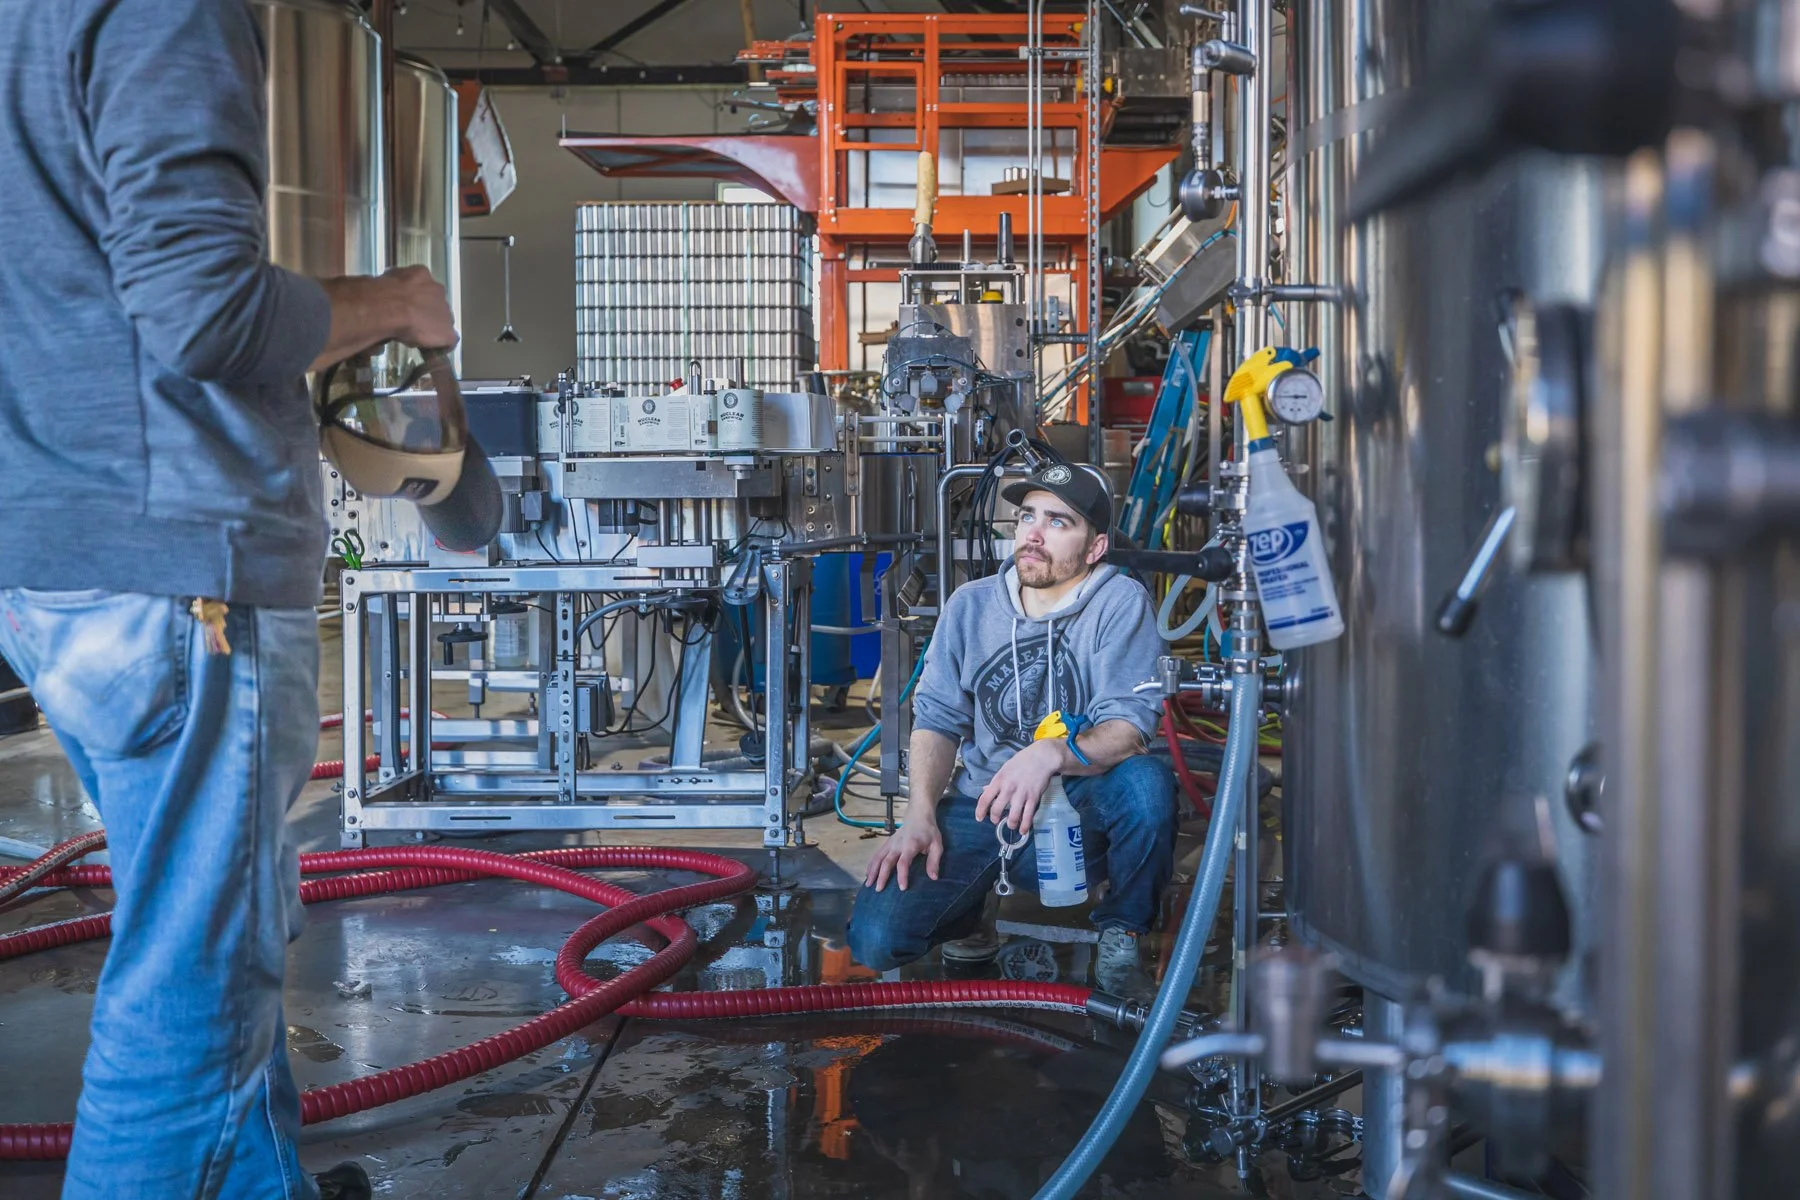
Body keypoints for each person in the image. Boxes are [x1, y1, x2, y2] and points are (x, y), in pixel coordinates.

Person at [0, 3, 457, 1197]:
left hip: (59, 554)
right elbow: (205, 310)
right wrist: (395, 302)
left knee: (223, 974)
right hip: (181, 569)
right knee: (189, 1014)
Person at [847, 464, 1177, 996]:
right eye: (1027, 516)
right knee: (877, 942)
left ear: (1095, 548)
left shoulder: (1120, 603)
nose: (1033, 534)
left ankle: (1122, 931)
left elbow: (1131, 729)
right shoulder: (970, 605)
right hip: (986, 803)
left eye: (1058, 521)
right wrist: (919, 815)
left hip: (1082, 806)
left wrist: (1049, 755)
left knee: (1147, 785)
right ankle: (971, 911)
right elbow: (936, 720)